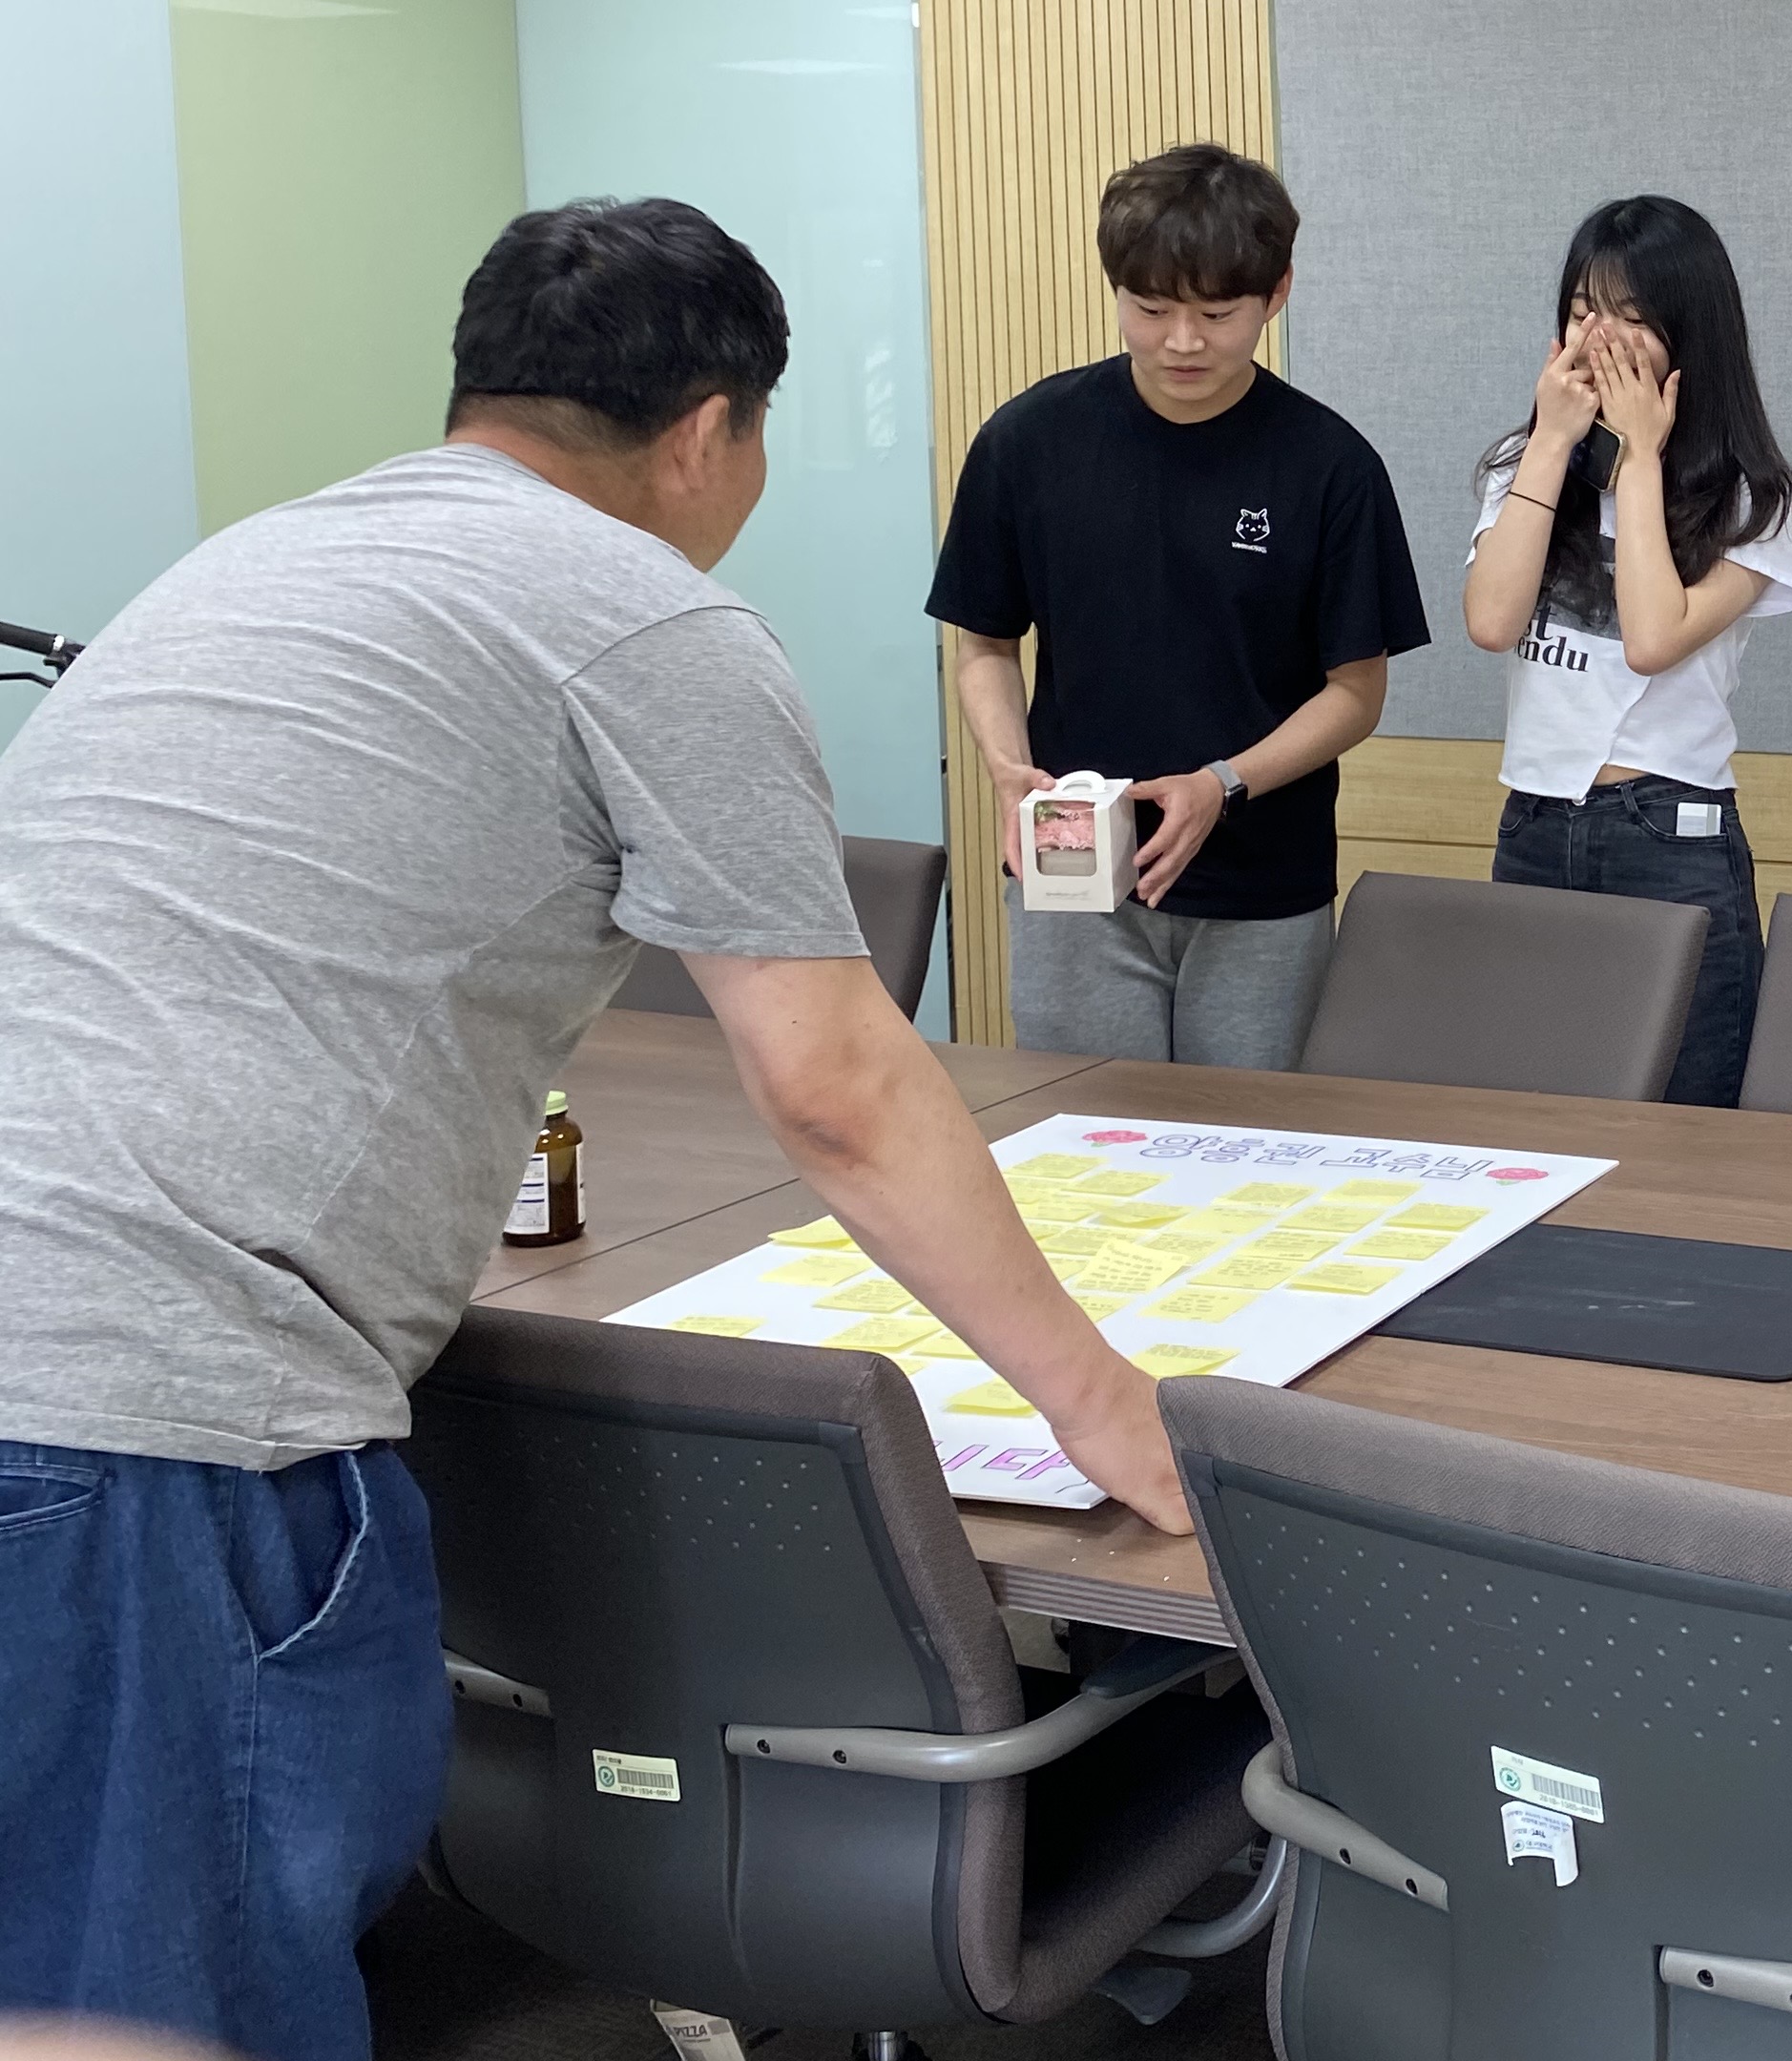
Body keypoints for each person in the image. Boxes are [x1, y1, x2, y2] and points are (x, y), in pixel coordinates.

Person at [0, 201, 1189, 2061]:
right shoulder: (645, 614)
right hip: (148, 1425)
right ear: (708, 430)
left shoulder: (250, 564)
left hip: (63, 1369)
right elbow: (839, 1085)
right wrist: (1106, 1405)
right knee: (163, 1995)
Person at [932, 145, 1427, 1069]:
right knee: (1083, 1130)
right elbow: (985, 644)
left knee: (1247, 1138)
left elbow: (1356, 692)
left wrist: (1221, 784)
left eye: (1217, 313)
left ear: (1276, 294)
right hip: (1074, 874)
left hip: (1261, 889)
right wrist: (1006, 768)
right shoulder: (1028, 442)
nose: (1183, 342)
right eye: (1152, 309)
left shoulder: (1330, 467)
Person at [1463, 197, 1792, 1109]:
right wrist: (1552, 443)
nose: (1601, 338)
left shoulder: (1751, 499)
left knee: (1688, 1118)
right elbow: (1491, 621)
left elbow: (1653, 639)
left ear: (1692, 334)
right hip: (1535, 820)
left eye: (1633, 315)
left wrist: (1641, 458)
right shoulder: (1524, 464)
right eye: (1583, 310)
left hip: (1671, 830)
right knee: (1536, 1105)